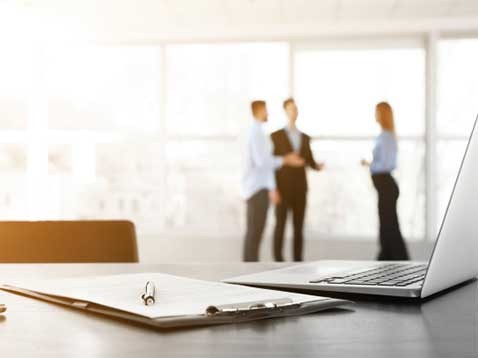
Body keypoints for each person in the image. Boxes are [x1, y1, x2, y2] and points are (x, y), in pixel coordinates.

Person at [241, 100, 305, 262]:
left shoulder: (257, 132)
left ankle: (249, 268)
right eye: (266, 110)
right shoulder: (256, 133)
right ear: (259, 110)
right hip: (257, 188)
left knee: (255, 233)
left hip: (258, 187)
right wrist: (285, 160)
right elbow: (262, 162)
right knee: (255, 232)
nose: (268, 113)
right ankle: (248, 272)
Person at [271, 98, 324, 262]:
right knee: (280, 225)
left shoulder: (305, 137)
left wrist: (317, 166)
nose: (294, 112)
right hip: (282, 187)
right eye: (291, 109)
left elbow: (309, 161)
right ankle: (278, 260)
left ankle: (297, 260)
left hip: (300, 188)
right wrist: (273, 188)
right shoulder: (275, 136)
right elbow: (271, 163)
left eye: (296, 109)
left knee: (298, 227)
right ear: (285, 111)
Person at [361, 102, 409, 261]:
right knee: (387, 225)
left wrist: (371, 164)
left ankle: (397, 260)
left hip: (387, 186)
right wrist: (371, 164)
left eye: (377, 112)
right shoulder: (383, 135)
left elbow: (388, 164)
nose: (375, 115)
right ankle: (386, 258)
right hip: (384, 187)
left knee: (390, 226)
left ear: (383, 114)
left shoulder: (387, 137)